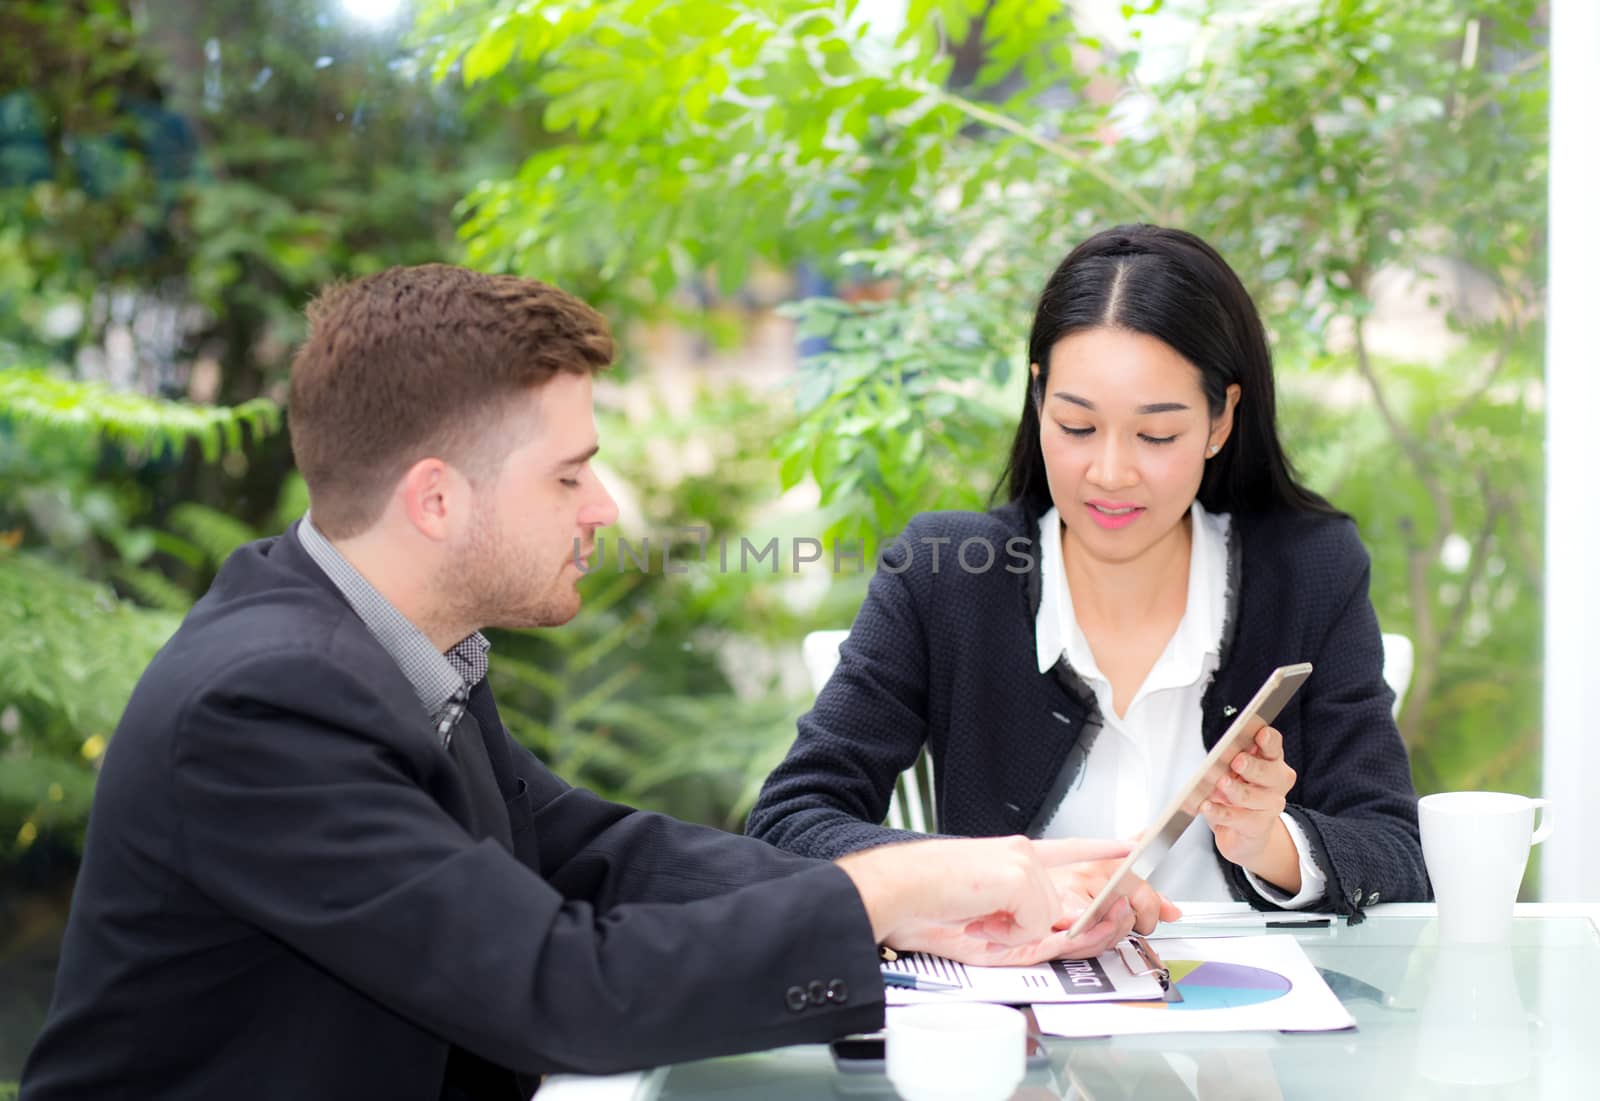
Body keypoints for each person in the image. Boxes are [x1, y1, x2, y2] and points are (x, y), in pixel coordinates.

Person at [20, 265, 1139, 1101]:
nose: (602, 509)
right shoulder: (263, 707)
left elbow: (606, 854)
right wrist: (881, 903)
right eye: (569, 475)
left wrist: (942, 888)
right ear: (436, 500)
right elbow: (561, 992)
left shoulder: (387, 646)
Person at [747, 224, 1429, 920]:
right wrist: (972, 874)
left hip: (1246, 1016)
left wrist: (1271, 841)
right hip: (1011, 1018)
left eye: (1156, 435)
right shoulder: (945, 575)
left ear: (1221, 419)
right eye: (1077, 427)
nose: (1109, 474)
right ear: (1039, 398)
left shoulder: (1308, 571)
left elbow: (1399, 852)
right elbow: (789, 821)